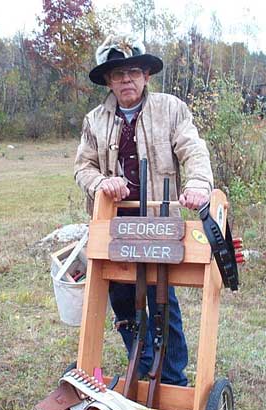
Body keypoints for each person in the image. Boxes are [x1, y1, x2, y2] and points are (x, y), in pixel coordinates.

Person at [74, 35, 213, 386]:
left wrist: (198, 183)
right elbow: (83, 167)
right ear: (108, 81)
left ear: (146, 75)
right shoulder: (94, 120)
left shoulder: (171, 109)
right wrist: (101, 183)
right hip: (114, 228)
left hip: (158, 227)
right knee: (123, 303)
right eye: (117, 74)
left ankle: (172, 380)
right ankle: (142, 364)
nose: (126, 80)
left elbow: (193, 150)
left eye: (133, 72)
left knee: (162, 302)